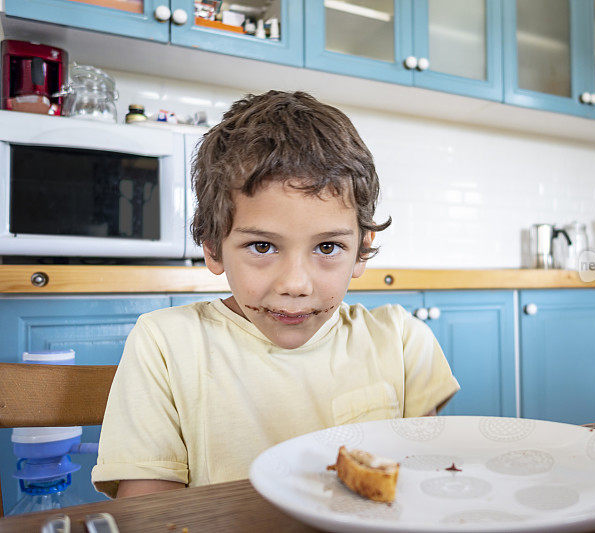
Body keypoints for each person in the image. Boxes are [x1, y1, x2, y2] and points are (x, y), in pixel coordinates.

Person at [91, 91, 460, 499]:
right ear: (213, 247)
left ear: (361, 250)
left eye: (327, 248)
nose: (296, 284)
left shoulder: (403, 343)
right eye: (263, 247)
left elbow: (422, 489)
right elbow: (149, 512)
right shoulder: (165, 344)